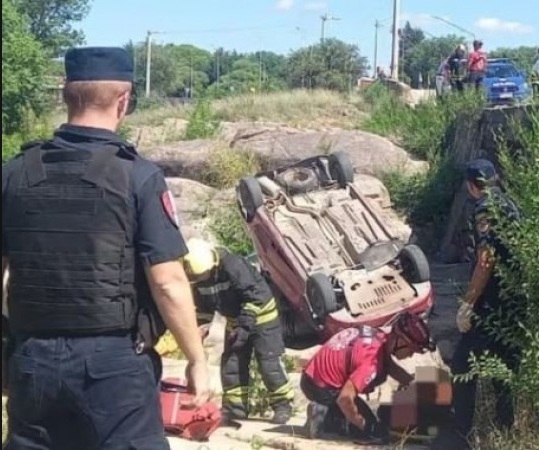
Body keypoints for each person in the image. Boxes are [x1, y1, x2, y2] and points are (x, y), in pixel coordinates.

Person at [2, 46, 210, 450]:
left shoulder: (14, 173)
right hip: (113, 367)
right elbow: (167, 282)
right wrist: (197, 360)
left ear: (66, 94)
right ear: (124, 100)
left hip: (32, 358)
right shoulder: (137, 176)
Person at [430, 159, 523, 450]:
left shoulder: (486, 209)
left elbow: (485, 260)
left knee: (462, 365)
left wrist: (468, 304)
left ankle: (458, 436)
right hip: (515, 302)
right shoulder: (511, 205)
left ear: (472, 186)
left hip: (492, 304)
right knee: (504, 370)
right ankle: (507, 432)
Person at [182, 238, 295, 427]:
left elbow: (255, 297)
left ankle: (283, 406)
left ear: (213, 264)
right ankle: (235, 410)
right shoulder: (200, 276)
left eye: (203, 275)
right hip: (236, 321)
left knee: (269, 364)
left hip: (262, 316)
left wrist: (244, 327)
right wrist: (200, 330)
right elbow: (204, 310)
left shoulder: (234, 265)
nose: (201, 279)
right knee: (231, 365)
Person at [301, 313, 436, 443]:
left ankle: (329, 411)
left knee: (366, 409)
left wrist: (411, 382)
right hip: (321, 387)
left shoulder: (378, 337)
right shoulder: (371, 362)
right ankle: (323, 417)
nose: (411, 355)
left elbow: (388, 365)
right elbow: (345, 399)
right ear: (399, 340)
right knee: (372, 431)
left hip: (312, 375)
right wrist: (362, 424)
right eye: (411, 350)